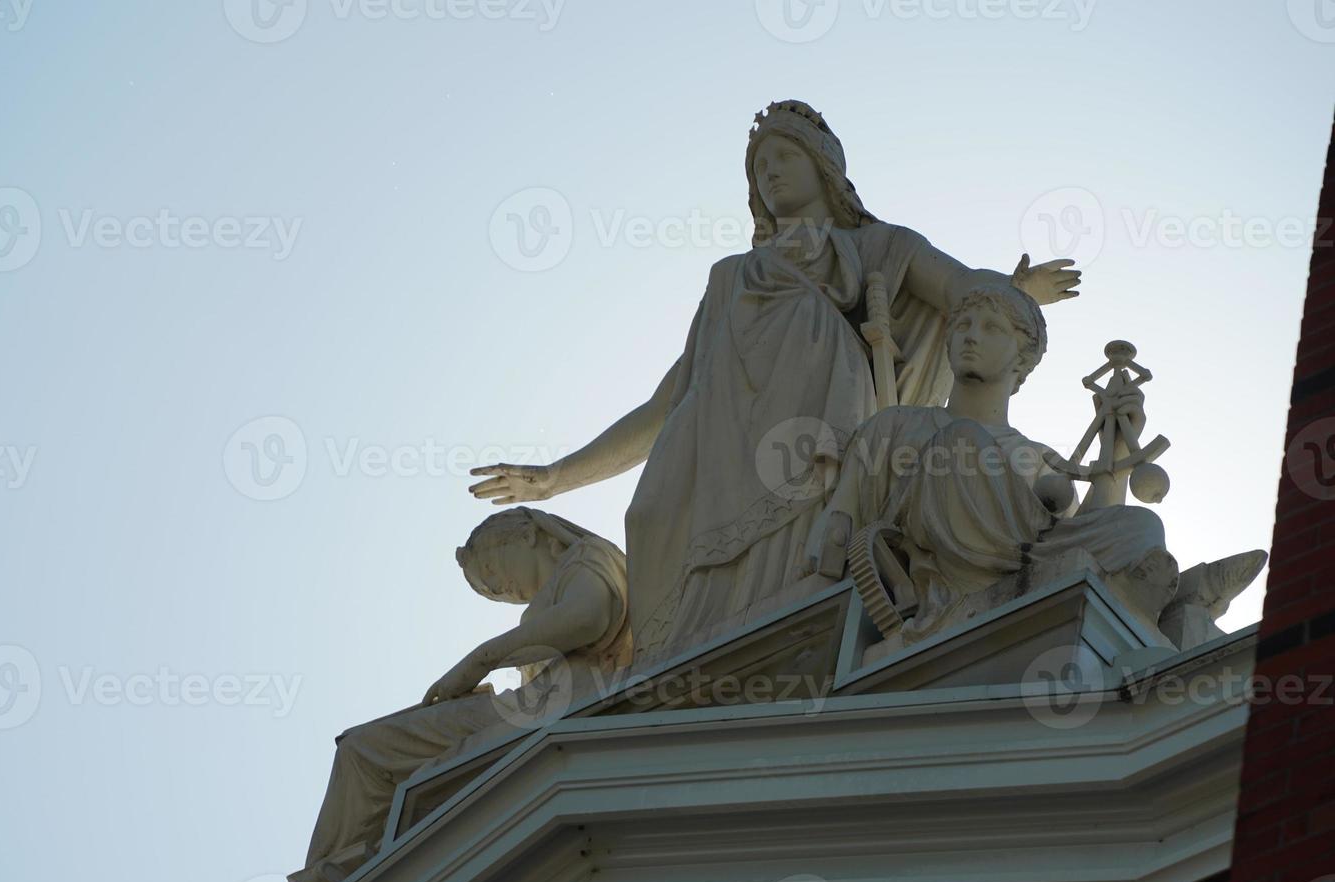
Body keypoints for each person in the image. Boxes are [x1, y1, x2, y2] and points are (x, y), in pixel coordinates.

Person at [470, 100, 1082, 662]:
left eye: (785, 156)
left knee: (806, 571)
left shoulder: (878, 246)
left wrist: (1014, 295)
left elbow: (964, 292)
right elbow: (669, 400)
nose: (771, 173)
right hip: (713, 461)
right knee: (677, 560)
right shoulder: (730, 278)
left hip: (817, 438)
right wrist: (555, 479)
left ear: (826, 169)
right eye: (759, 166)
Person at [262, 508, 629, 882]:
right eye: (491, 592)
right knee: (362, 752)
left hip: (550, 714)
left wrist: (481, 660)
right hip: (526, 711)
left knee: (367, 754)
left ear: (528, 534)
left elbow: (590, 615)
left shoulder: (587, 556)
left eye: (492, 571)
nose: (500, 588)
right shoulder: (549, 603)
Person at [817, 282, 1177, 643]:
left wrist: (1114, 449)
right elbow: (838, 522)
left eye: (991, 327)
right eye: (962, 326)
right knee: (962, 441)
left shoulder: (1039, 460)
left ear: (1022, 358)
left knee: (1143, 526)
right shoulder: (894, 425)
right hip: (924, 580)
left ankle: (1102, 608)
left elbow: (1075, 542)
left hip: (1031, 568)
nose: (971, 337)